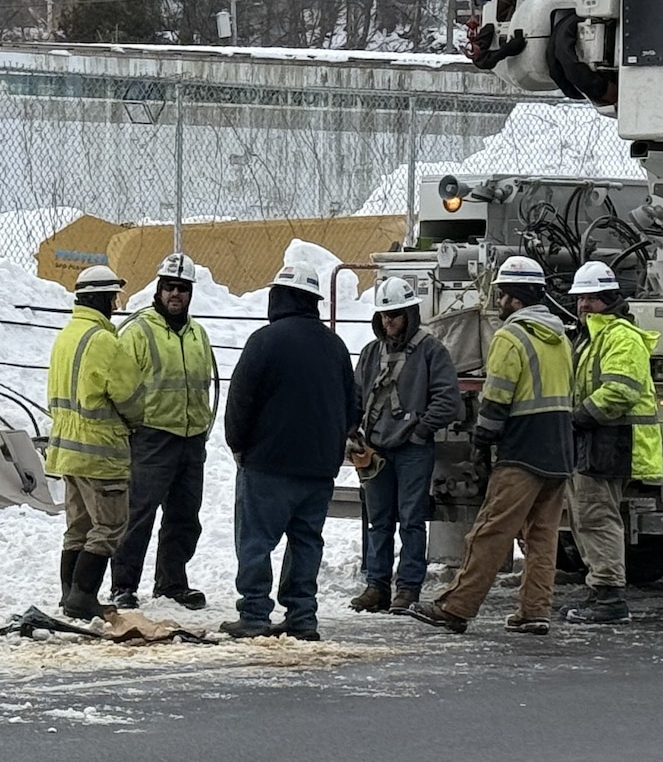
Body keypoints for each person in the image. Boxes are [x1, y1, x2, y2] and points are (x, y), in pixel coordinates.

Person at [407, 255, 574, 636]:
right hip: (559, 449)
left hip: (522, 449)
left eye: (501, 294)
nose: (498, 302)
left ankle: (456, 607)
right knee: (542, 536)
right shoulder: (561, 336)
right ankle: (535, 611)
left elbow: (496, 396)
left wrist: (483, 439)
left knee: (491, 530)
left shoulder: (510, 337)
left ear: (514, 298)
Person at [221, 263, 361, 640]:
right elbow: (353, 408)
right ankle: (302, 615)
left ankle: (254, 613)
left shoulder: (265, 341)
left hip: (268, 465)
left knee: (256, 540)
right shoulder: (334, 346)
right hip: (318, 471)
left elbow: (241, 401)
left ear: (280, 297)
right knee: (306, 541)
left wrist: (238, 445)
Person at [349, 277, 463, 615]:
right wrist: (352, 431)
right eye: (384, 316)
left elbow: (448, 400)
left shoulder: (431, 351)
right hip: (376, 449)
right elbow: (356, 395)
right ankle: (377, 586)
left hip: (413, 449)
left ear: (409, 314)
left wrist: (421, 431)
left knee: (412, 520)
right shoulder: (372, 353)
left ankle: (408, 588)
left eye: (395, 315)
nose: (388, 322)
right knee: (378, 520)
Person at [111, 253, 216, 611]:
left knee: (185, 516)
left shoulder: (198, 334)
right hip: (152, 437)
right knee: (138, 513)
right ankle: (123, 584)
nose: (175, 294)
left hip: (191, 438)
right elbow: (121, 387)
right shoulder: (138, 332)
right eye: (169, 287)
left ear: (190, 293)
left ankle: (172, 582)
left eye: (182, 288)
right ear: (158, 290)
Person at [562, 260, 663, 625]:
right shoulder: (592, 336)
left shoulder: (619, 336)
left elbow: (619, 392)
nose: (583, 305)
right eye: (580, 299)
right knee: (585, 516)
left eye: (591, 298)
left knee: (596, 516)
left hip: (611, 439)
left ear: (608, 298)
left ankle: (609, 595)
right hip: (597, 438)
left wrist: (575, 418)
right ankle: (599, 588)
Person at [46, 264, 145, 620]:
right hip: (100, 454)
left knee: (78, 527)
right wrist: (136, 420)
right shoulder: (104, 341)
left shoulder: (67, 336)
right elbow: (130, 396)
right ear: (105, 297)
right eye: (114, 297)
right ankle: (83, 597)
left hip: (68, 452)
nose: (116, 304)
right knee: (109, 527)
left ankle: (69, 594)